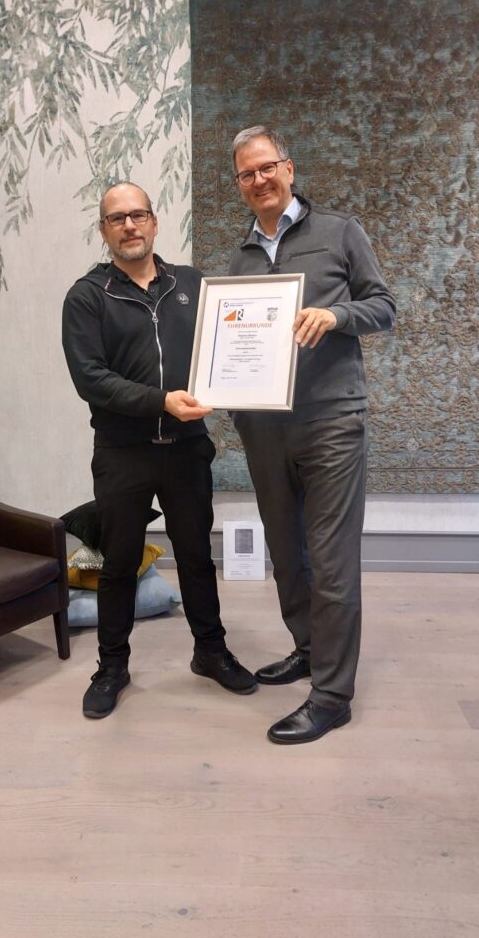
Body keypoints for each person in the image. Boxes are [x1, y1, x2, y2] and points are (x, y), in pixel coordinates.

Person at [62, 181, 256, 718]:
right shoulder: (87, 296)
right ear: (104, 231)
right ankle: (111, 667)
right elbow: (91, 378)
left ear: (153, 221)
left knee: (196, 555)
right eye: (117, 218)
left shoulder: (191, 284)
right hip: (123, 452)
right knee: (119, 562)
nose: (129, 225)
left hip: (187, 449)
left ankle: (210, 652)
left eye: (138, 215)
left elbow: (227, 348)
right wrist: (161, 402)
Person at [229, 125, 396, 744]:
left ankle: (331, 696)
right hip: (264, 429)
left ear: (289, 168)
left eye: (266, 167)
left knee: (330, 560)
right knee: (287, 555)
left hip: (331, 422)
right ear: (241, 185)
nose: (259, 180)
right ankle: (307, 648)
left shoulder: (340, 231)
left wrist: (336, 314)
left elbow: (383, 305)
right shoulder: (240, 258)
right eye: (247, 174)